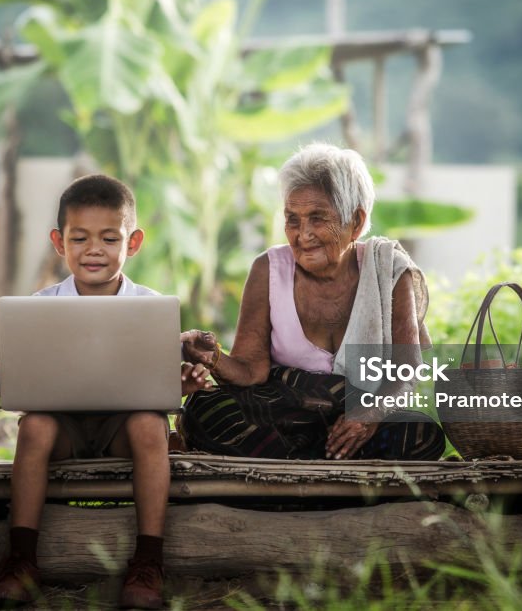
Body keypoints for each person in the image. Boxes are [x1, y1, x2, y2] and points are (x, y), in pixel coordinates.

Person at [0, 174, 210, 609]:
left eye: (109, 237)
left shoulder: (150, 306)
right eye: (79, 237)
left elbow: (156, 383)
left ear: (133, 242)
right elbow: (31, 387)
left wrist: (181, 384)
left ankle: (147, 563)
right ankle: (21, 561)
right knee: (35, 428)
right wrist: (4, 384)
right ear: (59, 242)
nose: (94, 249)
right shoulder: (40, 306)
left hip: (122, 430)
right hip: (64, 432)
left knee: (150, 425)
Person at [179, 142, 446, 461]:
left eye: (317, 218)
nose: (302, 234)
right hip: (284, 414)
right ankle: (326, 474)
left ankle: (289, 476)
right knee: (206, 408)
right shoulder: (268, 269)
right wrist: (214, 358)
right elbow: (251, 372)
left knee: (421, 433)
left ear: (356, 222)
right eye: (293, 220)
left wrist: (368, 415)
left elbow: (405, 369)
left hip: (358, 414)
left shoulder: (390, 271)